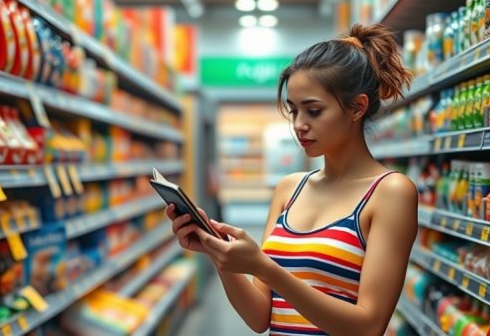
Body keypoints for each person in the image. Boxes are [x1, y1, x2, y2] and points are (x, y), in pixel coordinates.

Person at [167, 23, 418, 336]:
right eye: (293, 111)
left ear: (357, 107)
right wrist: (222, 257)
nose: (299, 125)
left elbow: (368, 327)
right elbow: (260, 318)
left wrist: (262, 266)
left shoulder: (390, 193)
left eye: (313, 111)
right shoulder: (290, 189)